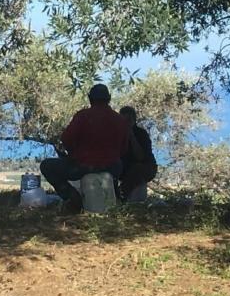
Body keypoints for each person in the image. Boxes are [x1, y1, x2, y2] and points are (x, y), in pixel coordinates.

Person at [40, 84, 128, 213]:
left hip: (83, 167)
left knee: (46, 166)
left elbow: (66, 139)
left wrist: (74, 153)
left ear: (90, 98)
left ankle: (71, 197)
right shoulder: (120, 120)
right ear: (109, 98)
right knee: (119, 164)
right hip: (112, 167)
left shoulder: (83, 116)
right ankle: (115, 195)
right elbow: (123, 149)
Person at [117, 106, 157, 202]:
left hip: (145, 167)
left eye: (129, 120)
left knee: (137, 170)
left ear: (134, 120)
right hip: (124, 169)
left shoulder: (141, 134)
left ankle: (120, 195)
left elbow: (141, 157)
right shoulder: (117, 135)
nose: (126, 123)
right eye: (123, 120)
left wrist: (131, 136)